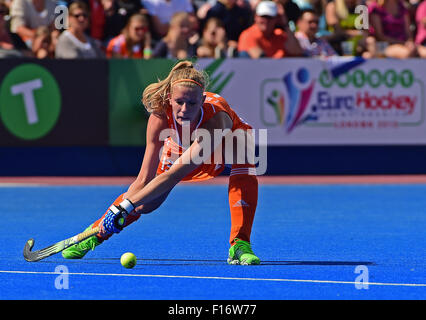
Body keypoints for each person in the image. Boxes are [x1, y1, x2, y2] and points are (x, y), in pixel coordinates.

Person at [61, 60, 261, 265]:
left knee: (243, 152)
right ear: (169, 99)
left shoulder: (217, 120)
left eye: (192, 103)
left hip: (223, 143)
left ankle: (240, 244)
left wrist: (125, 206)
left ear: (202, 100)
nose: (184, 109)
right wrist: (116, 212)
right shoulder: (159, 116)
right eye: (179, 102)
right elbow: (142, 180)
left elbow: (174, 175)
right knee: (145, 206)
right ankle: (92, 235)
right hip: (182, 147)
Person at [238, 0, 303, 58]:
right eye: (263, 16)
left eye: (270, 17)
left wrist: (285, 24)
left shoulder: (280, 35)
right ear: (256, 17)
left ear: (276, 19)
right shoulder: (248, 34)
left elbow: (297, 51)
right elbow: (259, 58)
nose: (266, 20)